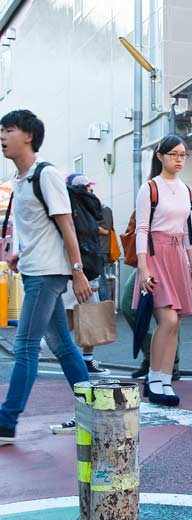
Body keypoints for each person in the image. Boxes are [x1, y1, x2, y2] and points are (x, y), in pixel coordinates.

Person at [0, 109, 92, 444]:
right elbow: (43, 230)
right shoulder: (21, 182)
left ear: (28, 135)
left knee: (25, 345)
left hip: (47, 275)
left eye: (8, 130)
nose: (2, 136)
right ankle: (91, 412)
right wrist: (19, 254)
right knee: (63, 345)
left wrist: (78, 272)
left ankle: (6, 422)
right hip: (35, 269)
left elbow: (66, 225)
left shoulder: (46, 174)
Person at [134, 135, 192, 407]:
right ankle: (153, 377)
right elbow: (142, 228)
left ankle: (164, 379)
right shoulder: (150, 188)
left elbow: (188, 232)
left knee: (176, 322)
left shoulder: (187, 190)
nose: (179, 159)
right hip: (155, 254)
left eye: (182, 154)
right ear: (160, 156)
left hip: (177, 256)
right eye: (173, 154)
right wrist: (143, 267)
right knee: (168, 321)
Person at [60, 175, 109, 377]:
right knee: (91, 319)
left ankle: (38, 347)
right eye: (88, 187)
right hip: (83, 272)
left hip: (70, 271)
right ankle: (85, 361)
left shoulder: (68, 208)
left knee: (68, 320)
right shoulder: (84, 210)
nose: (91, 191)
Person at [122, 269, 181, 379]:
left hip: (166, 259)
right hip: (145, 260)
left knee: (168, 312)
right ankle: (153, 356)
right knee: (128, 304)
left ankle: (169, 363)